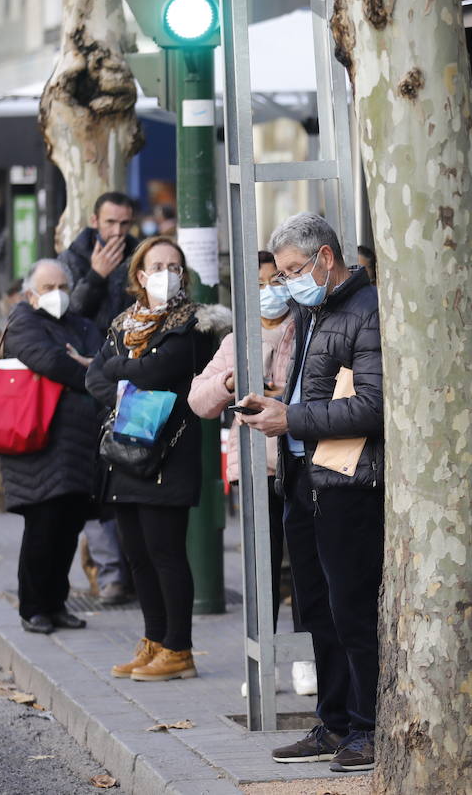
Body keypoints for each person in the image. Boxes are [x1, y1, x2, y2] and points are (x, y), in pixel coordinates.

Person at [240, 212, 384, 774]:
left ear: (326, 258)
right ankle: (335, 721)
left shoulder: (365, 310)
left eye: (294, 270)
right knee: (318, 611)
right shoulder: (314, 307)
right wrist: (276, 402)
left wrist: (292, 417)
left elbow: (373, 406)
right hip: (305, 478)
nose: (286, 283)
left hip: (347, 482)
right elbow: (315, 386)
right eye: (281, 274)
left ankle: (367, 727)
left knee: (351, 608)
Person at [85, 236, 228, 681]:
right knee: (138, 554)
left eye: (174, 266)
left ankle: (179, 649)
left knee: (166, 551)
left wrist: (121, 374)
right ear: (141, 276)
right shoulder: (123, 322)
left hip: (169, 453)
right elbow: (94, 376)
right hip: (125, 453)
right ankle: (154, 640)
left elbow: (158, 371)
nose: (166, 273)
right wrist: (133, 394)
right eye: (157, 265)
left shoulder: (192, 325)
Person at [189, 250, 316, 696]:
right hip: (255, 469)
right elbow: (199, 400)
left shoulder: (308, 329)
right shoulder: (235, 341)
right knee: (261, 566)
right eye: (260, 284)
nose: (270, 291)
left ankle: (305, 656)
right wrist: (230, 384)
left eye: (277, 280)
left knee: (305, 565)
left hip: (302, 462)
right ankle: (261, 657)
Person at [0, 259, 102, 634]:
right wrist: (88, 372)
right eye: (47, 288)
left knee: (68, 527)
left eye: (62, 287)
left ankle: (57, 603)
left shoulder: (81, 324)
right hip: (37, 442)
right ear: (30, 294)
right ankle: (33, 607)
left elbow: (102, 357)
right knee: (42, 526)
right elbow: (48, 361)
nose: (56, 295)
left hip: (78, 445)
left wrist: (88, 368)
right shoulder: (23, 322)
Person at [59, 191, 138, 606]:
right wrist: (95, 276)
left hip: (129, 378)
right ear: (95, 220)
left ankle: (132, 574)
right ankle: (110, 575)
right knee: (95, 486)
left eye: (124, 224)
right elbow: (70, 312)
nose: (117, 232)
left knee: (129, 476)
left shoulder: (140, 256)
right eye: (110, 223)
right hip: (87, 382)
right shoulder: (74, 257)